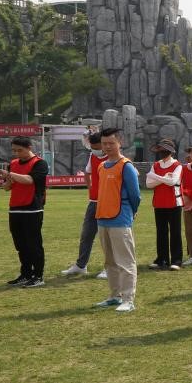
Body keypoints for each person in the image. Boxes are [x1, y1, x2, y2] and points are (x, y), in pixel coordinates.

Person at [91, 129, 142, 311]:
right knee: (110, 262)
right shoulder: (101, 166)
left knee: (125, 262)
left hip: (120, 219)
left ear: (120, 143)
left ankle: (128, 300)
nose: (107, 147)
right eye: (104, 143)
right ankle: (114, 296)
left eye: (111, 143)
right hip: (102, 219)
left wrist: (131, 212)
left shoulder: (126, 166)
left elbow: (135, 195)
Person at [1, 136, 48, 287]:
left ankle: (38, 276)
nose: (16, 153)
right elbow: (6, 187)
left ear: (29, 148)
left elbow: (29, 180)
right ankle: (26, 274)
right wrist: (8, 181)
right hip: (15, 209)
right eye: (14, 150)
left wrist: (10, 174)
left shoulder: (40, 163)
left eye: (19, 150)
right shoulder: (13, 164)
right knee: (20, 245)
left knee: (34, 244)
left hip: (32, 209)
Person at [61, 131, 105, 278]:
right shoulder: (92, 156)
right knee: (86, 235)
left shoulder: (114, 158)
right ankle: (81, 266)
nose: (95, 150)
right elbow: (87, 172)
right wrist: (90, 187)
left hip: (107, 203)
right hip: (93, 202)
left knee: (107, 238)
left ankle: (110, 267)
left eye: (97, 147)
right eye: (93, 148)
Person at [145, 138, 184, 271]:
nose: (162, 152)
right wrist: (164, 178)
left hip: (174, 203)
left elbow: (172, 182)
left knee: (175, 232)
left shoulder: (177, 165)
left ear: (171, 151)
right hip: (159, 203)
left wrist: (154, 176)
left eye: (164, 150)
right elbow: (148, 184)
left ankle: (176, 260)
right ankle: (162, 259)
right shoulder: (156, 165)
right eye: (160, 149)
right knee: (161, 232)